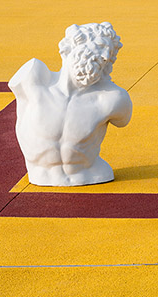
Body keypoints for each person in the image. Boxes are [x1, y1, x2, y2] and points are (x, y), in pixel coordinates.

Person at [9, 22, 133, 187]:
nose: (103, 57)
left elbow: (123, 120)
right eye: (98, 47)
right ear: (72, 45)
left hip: (92, 174)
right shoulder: (32, 80)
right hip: (39, 175)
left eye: (107, 54)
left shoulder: (111, 99)